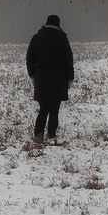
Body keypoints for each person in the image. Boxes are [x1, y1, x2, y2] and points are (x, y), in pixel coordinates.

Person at [25, 14, 74, 142]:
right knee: (54, 109)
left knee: (43, 109)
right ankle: (51, 134)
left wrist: (32, 75)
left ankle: (38, 134)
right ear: (58, 24)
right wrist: (70, 78)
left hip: (42, 79)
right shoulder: (63, 39)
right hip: (59, 79)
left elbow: (29, 58)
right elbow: (68, 60)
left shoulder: (36, 38)